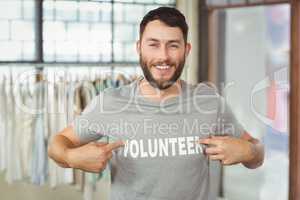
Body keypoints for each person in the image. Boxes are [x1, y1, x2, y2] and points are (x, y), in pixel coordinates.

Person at [48, 7, 264, 200]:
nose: (163, 56)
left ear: (186, 50)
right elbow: (57, 143)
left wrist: (250, 152)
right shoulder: (110, 102)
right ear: (139, 48)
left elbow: (257, 152)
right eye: (153, 45)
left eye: (173, 45)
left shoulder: (210, 103)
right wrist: (71, 156)